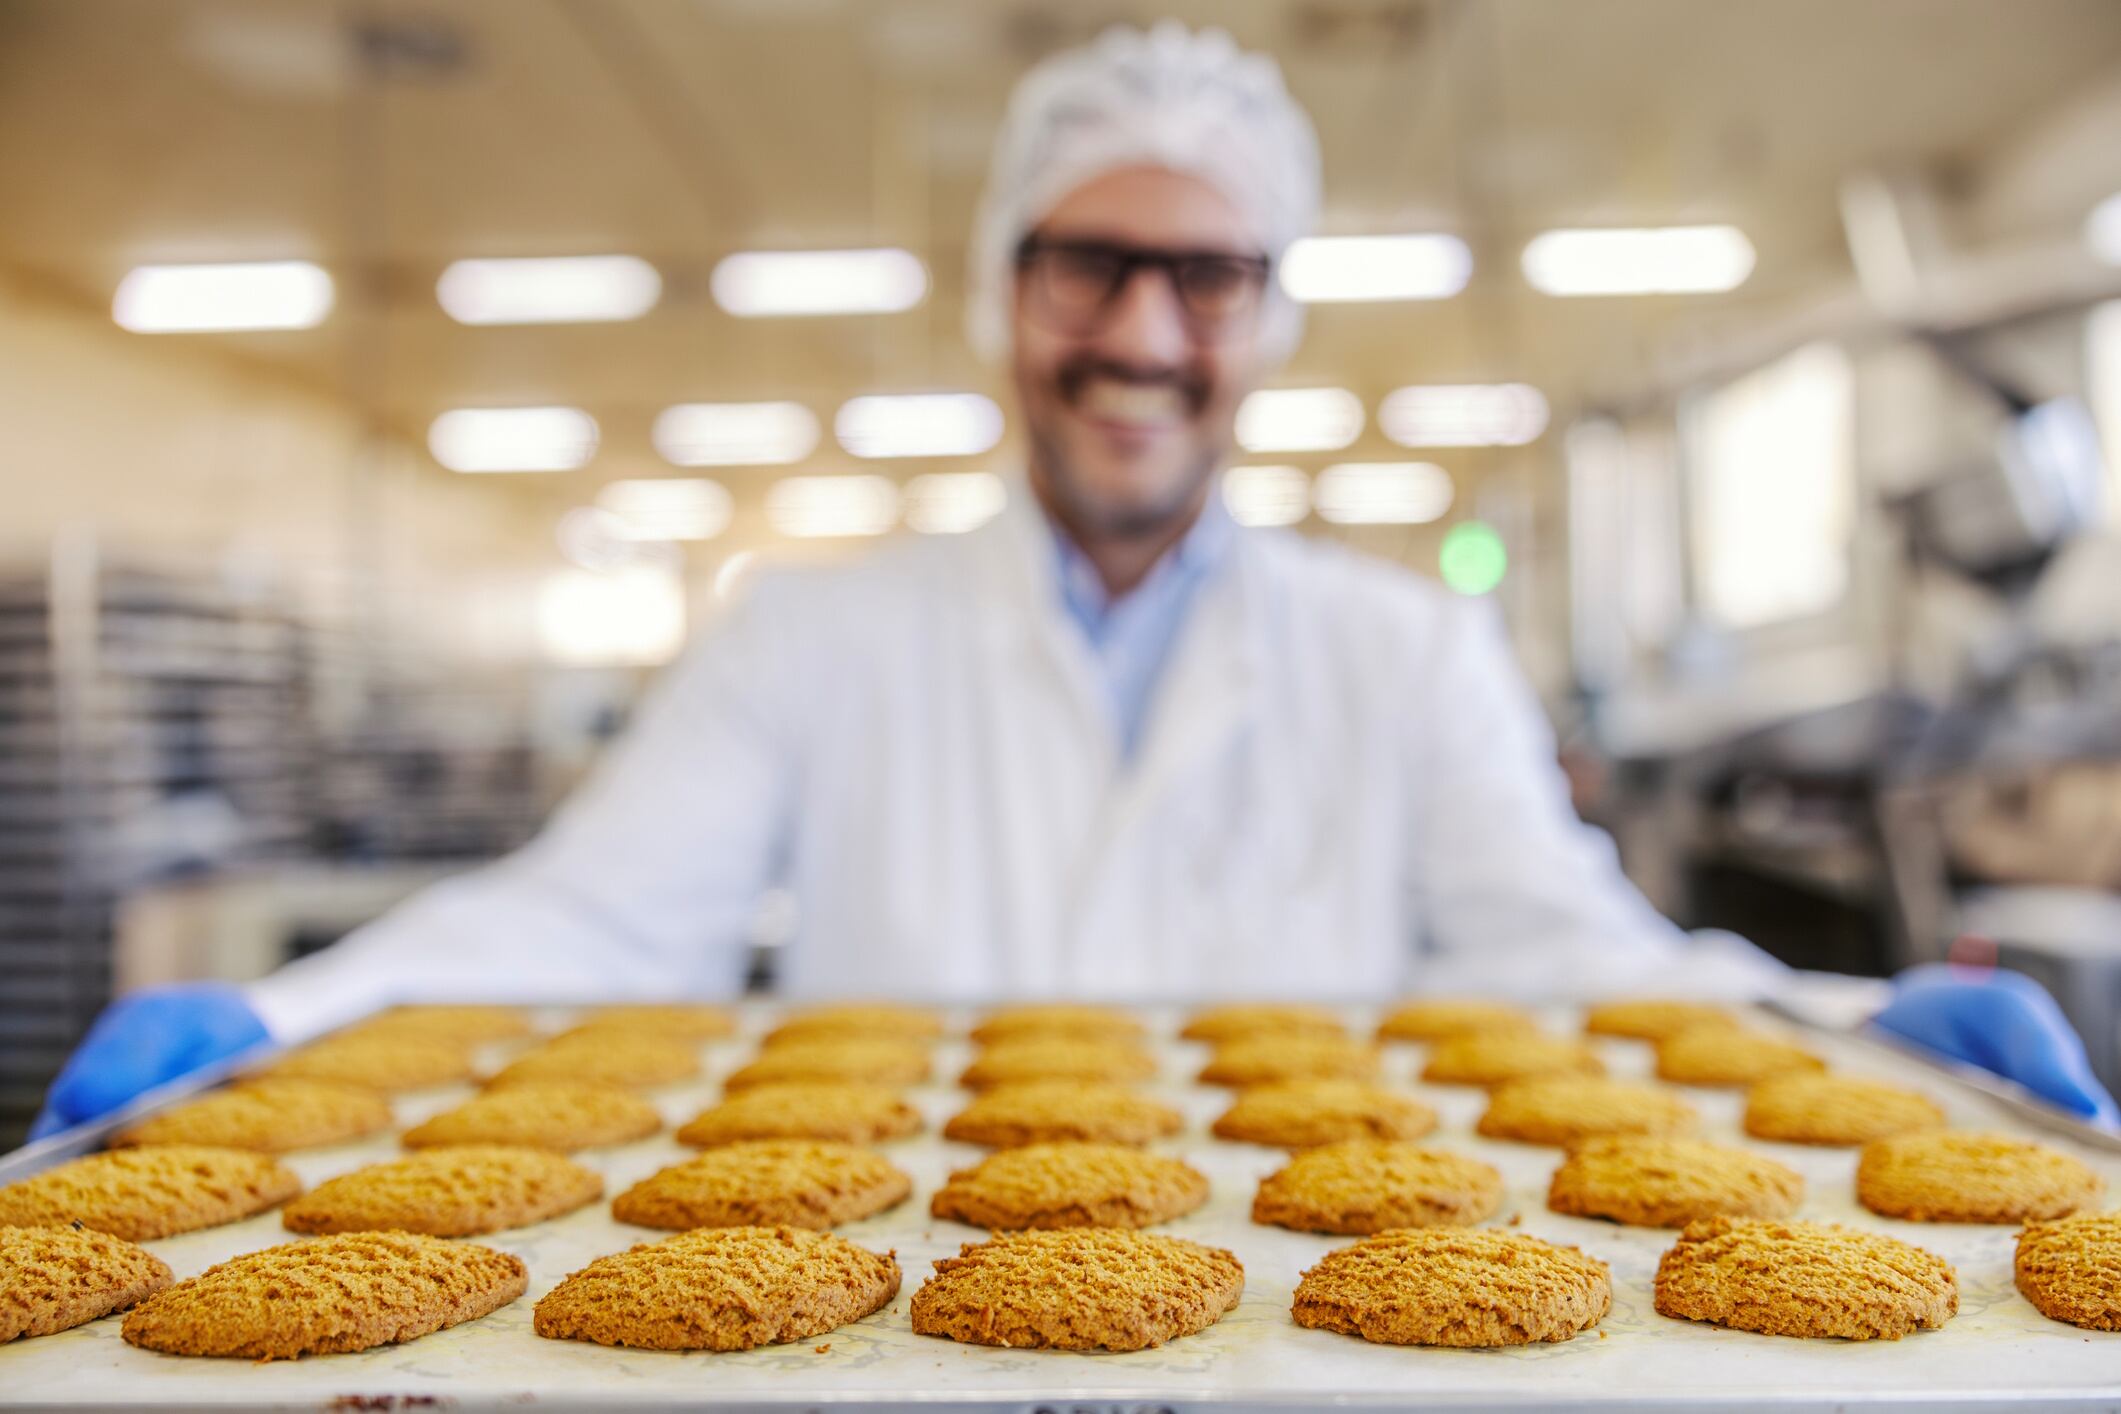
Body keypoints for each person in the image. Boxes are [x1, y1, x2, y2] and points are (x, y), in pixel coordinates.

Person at [32, 23, 2113, 1140]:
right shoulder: (810, 636)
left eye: (1202, 274)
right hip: (890, 1311)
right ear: (1001, 294)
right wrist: (282, 1016)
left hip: (1316, 1310)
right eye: (1087, 262)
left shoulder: (1398, 650)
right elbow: (588, 915)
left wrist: (1848, 1021)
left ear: (1266, 319)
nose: (1143, 328)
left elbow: (1569, 951)